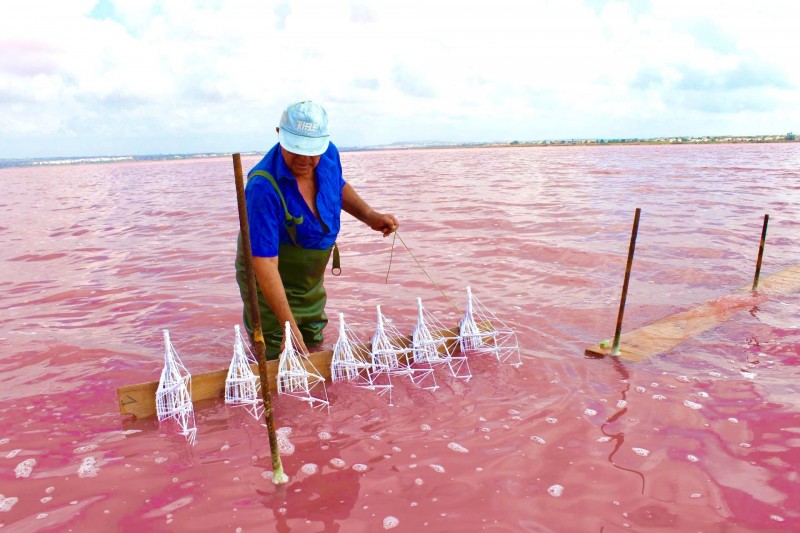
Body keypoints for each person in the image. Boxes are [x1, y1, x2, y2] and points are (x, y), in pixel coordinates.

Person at [235, 101, 398, 359]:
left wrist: (370, 216)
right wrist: (288, 327)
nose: (304, 159)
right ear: (279, 135)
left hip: (308, 277)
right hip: (267, 273)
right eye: (295, 149)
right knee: (277, 345)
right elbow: (265, 263)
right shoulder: (262, 187)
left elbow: (337, 186)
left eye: (312, 151)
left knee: (313, 337)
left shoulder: (329, 154)